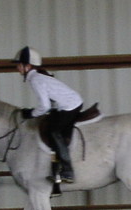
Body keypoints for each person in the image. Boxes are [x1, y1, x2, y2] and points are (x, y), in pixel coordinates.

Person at [12, 46, 83, 184]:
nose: (17, 68)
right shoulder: (38, 77)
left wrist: (31, 113)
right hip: (68, 103)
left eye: (19, 65)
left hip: (70, 105)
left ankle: (68, 172)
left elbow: (45, 106)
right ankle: (56, 168)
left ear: (28, 66)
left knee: (54, 132)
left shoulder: (35, 80)